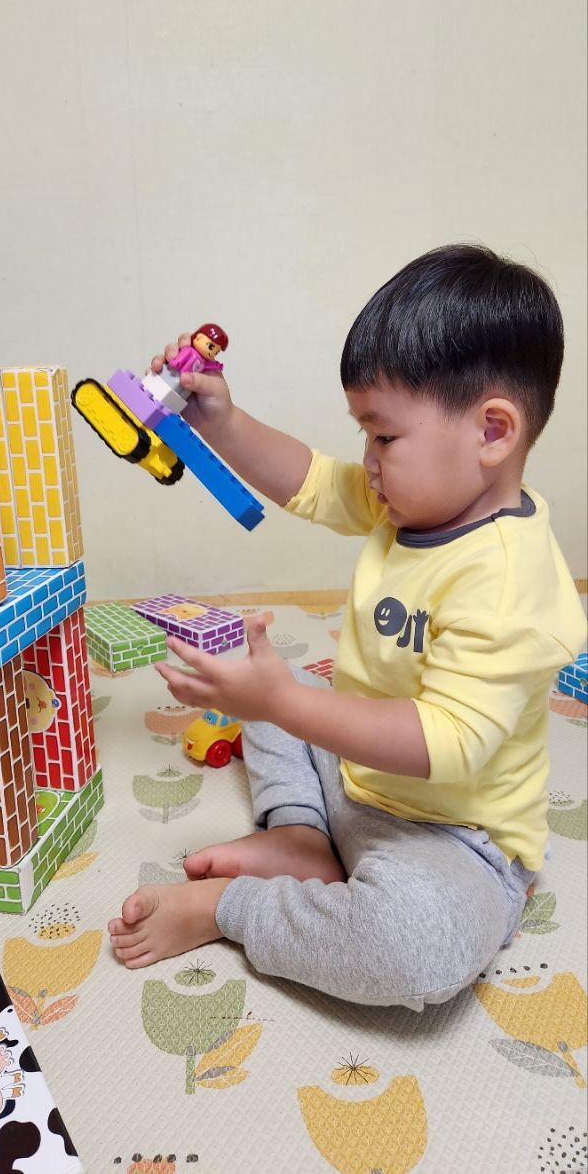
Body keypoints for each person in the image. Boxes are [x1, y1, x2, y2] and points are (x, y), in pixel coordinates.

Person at [108, 245, 586, 1010]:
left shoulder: (509, 582)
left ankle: (230, 908)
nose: (367, 461)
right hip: (357, 774)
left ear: (492, 431)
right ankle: (302, 835)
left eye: (384, 437)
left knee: (409, 950)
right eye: (365, 434)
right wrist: (221, 421)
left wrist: (282, 704)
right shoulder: (415, 498)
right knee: (281, 690)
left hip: (453, 836)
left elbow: (445, 744)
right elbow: (311, 482)